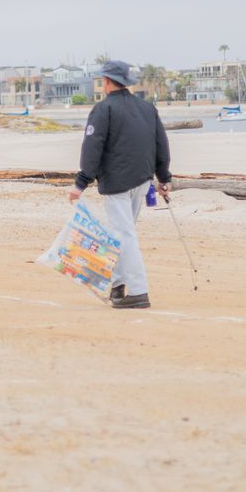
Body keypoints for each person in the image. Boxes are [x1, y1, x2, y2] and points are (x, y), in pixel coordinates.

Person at [66, 60, 172, 309]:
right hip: (142, 180)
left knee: (124, 235)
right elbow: (161, 144)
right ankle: (117, 285)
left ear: (107, 81)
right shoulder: (147, 108)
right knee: (121, 233)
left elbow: (92, 148)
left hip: (117, 182)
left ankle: (138, 291)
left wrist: (80, 183)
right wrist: (164, 177)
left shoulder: (103, 109)